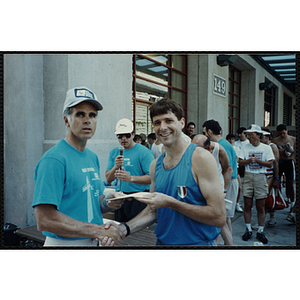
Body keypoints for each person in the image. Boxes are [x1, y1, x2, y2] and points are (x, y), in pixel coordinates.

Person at [108, 99, 226, 246]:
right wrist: (124, 229)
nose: (163, 127)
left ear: (181, 123)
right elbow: (153, 211)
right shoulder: (155, 165)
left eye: (168, 120)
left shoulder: (200, 158)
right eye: (157, 123)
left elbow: (219, 217)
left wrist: (172, 203)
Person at [32, 87, 125, 247]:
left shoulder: (92, 157)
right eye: (80, 114)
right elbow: (45, 220)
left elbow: (90, 201)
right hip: (63, 244)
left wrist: (108, 202)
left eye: (92, 115)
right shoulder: (54, 160)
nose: (87, 120)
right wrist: (97, 230)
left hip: (92, 242)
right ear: (66, 120)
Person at [105, 118, 154, 222]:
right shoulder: (114, 152)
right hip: (120, 196)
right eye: (120, 136)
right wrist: (116, 166)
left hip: (138, 197)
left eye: (127, 135)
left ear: (133, 134)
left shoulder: (144, 152)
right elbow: (108, 179)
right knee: (120, 230)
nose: (124, 139)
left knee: (137, 233)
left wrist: (131, 178)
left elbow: (153, 177)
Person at [202, 120, 238, 246]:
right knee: (225, 219)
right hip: (225, 184)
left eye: (204, 132)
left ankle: (229, 244)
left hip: (227, 183)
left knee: (221, 219)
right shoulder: (221, 144)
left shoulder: (222, 146)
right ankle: (228, 244)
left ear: (209, 132)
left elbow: (228, 169)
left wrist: (224, 190)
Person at [192, 134, 232, 245]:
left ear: (208, 148)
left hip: (216, 187)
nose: (194, 151)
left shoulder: (219, 150)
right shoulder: (192, 151)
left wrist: (223, 190)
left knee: (219, 221)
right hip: (200, 186)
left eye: (197, 149)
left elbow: (227, 169)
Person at [238, 124, 275, 244]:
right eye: (248, 135)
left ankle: (260, 230)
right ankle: (248, 229)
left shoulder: (266, 148)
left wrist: (257, 161)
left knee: (260, 206)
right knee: (247, 205)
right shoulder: (245, 146)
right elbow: (240, 161)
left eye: (251, 135)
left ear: (259, 135)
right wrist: (249, 161)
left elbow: (270, 164)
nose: (249, 137)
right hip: (248, 175)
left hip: (260, 176)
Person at [272, 124, 296, 212]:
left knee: (290, 184)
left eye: (284, 133)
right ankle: (278, 200)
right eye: (281, 133)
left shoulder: (293, 139)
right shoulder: (275, 141)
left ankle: (293, 203)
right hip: (280, 162)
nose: (282, 135)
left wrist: (291, 151)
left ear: (287, 131)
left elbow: (295, 152)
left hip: (289, 162)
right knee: (276, 183)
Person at [261, 128, 280, 226]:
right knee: (264, 197)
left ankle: (264, 221)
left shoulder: (273, 146)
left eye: (262, 136)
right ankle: (271, 217)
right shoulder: (261, 146)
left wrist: (276, 178)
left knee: (265, 197)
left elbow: (276, 163)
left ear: (267, 137)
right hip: (261, 173)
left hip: (269, 174)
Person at [226, 133, 243, 213]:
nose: (231, 141)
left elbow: (238, 159)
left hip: (235, 169)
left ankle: (237, 203)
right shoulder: (224, 147)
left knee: (239, 187)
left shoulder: (236, 148)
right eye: (229, 139)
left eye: (232, 139)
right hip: (228, 170)